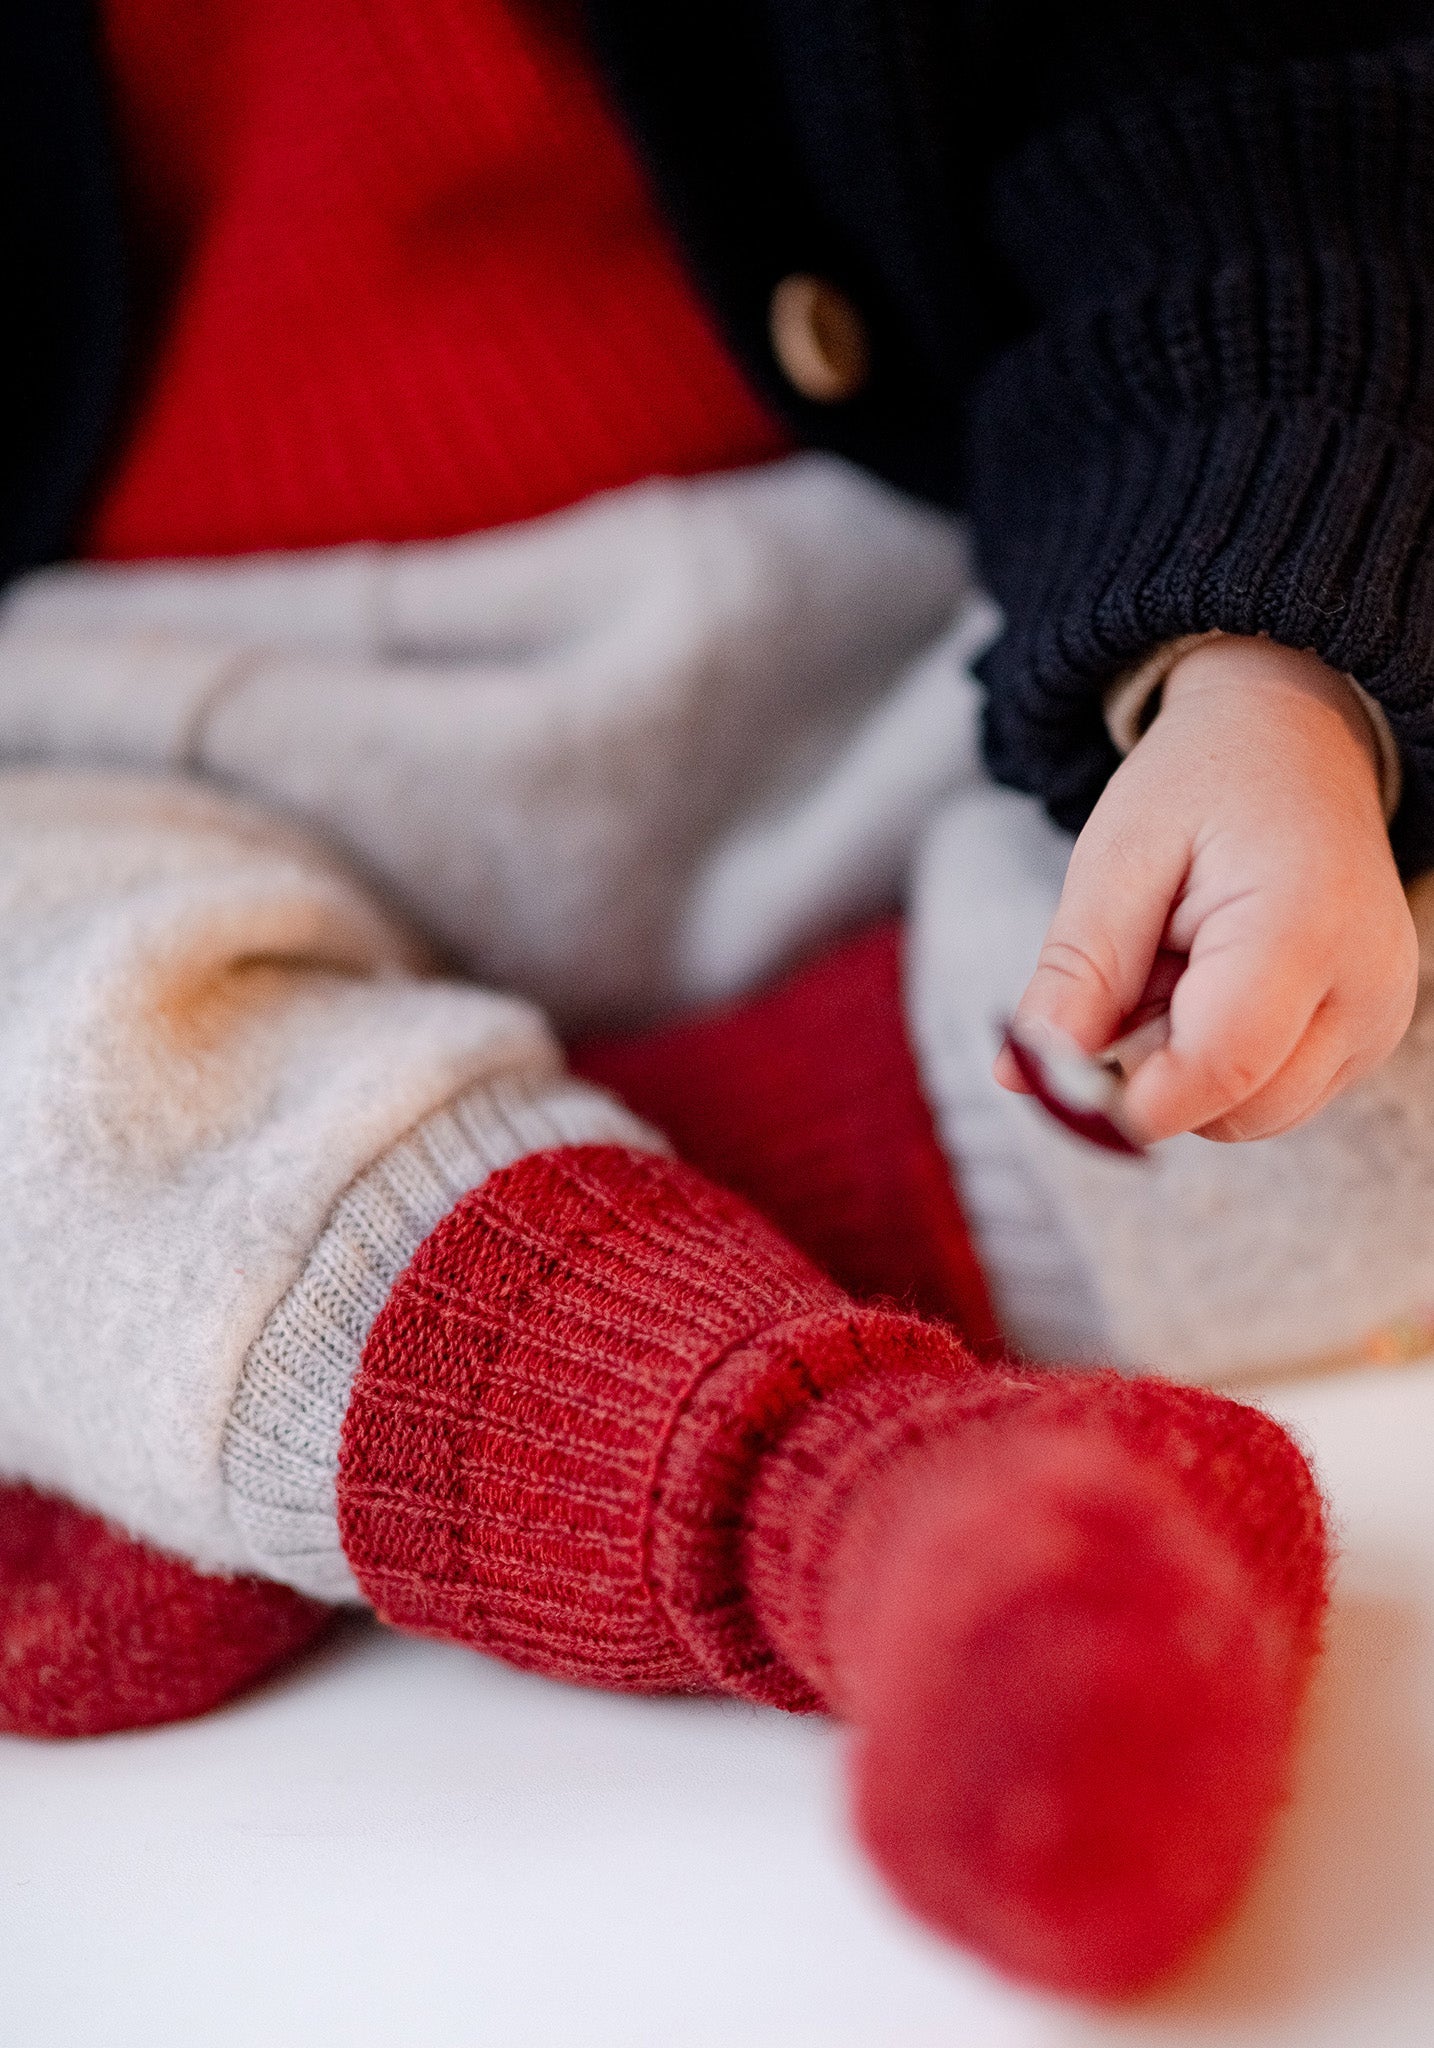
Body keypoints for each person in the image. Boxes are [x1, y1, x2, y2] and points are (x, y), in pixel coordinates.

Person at [2, 0, 1429, 1998]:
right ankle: (882, 1503)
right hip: (126, 740)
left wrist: (1259, 661)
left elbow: (1237, 113)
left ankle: (338, 1331)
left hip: (914, 632)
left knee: (1348, 934)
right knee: (36, 1062)